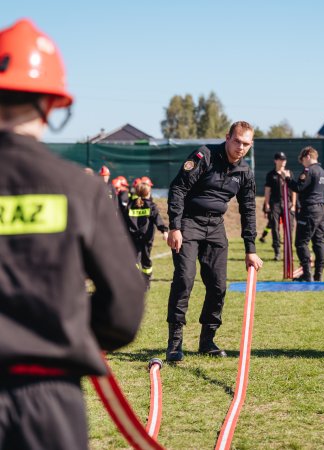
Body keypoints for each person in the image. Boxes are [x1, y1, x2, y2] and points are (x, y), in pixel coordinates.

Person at [0, 18, 146, 449]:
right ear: (51, 103)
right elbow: (123, 307)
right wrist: (65, 332)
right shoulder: (79, 189)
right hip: (47, 404)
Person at [165, 121, 263, 362]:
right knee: (184, 280)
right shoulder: (204, 156)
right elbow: (178, 188)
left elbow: (248, 209)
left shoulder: (245, 172)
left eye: (246, 144)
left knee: (218, 286)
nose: (241, 147)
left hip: (215, 227)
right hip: (189, 223)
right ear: (228, 137)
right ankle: (175, 343)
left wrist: (251, 249)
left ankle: (207, 340)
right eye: (237, 141)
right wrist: (175, 227)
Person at [282, 146, 324, 282]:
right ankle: (318, 274)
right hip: (321, 209)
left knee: (301, 243)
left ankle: (307, 274)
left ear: (307, 156)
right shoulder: (322, 171)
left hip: (309, 210)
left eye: (302, 160)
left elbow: (299, 187)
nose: (302, 164)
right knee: (319, 241)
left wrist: (288, 179)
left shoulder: (309, 170)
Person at [126, 181, 169, 290]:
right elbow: (158, 220)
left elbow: (124, 220)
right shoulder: (151, 205)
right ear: (148, 193)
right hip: (146, 238)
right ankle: (145, 283)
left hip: (132, 237)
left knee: (134, 260)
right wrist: (164, 231)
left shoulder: (130, 205)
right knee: (145, 260)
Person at [263, 152, 296, 260]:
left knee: (289, 228)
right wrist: (266, 204)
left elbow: (294, 190)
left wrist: (294, 204)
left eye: (284, 160)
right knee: (275, 228)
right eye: (280, 159)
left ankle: (288, 251)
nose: (283, 162)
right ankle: (277, 252)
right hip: (275, 203)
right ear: (275, 161)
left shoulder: (289, 173)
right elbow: (267, 190)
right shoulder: (271, 174)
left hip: (288, 203)